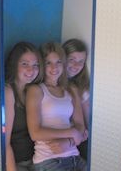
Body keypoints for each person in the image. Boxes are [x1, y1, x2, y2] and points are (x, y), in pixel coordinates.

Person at [26, 42, 87, 171]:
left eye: (58, 62)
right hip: (49, 161)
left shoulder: (71, 89)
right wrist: (71, 132)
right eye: (49, 63)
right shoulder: (36, 90)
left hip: (75, 157)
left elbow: (80, 126)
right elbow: (35, 133)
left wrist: (69, 142)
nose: (54, 67)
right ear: (42, 65)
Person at [5, 42, 43, 171]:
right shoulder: (8, 92)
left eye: (35, 65)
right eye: (24, 64)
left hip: (40, 159)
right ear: (14, 65)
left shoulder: (34, 90)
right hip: (19, 163)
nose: (31, 70)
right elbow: (4, 144)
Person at [62, 39, 90, 160]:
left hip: (77, 138)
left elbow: (88, 120)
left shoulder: (82, 87)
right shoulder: (50, 83)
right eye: (72, 60)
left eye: (81, 61)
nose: (76, 66)